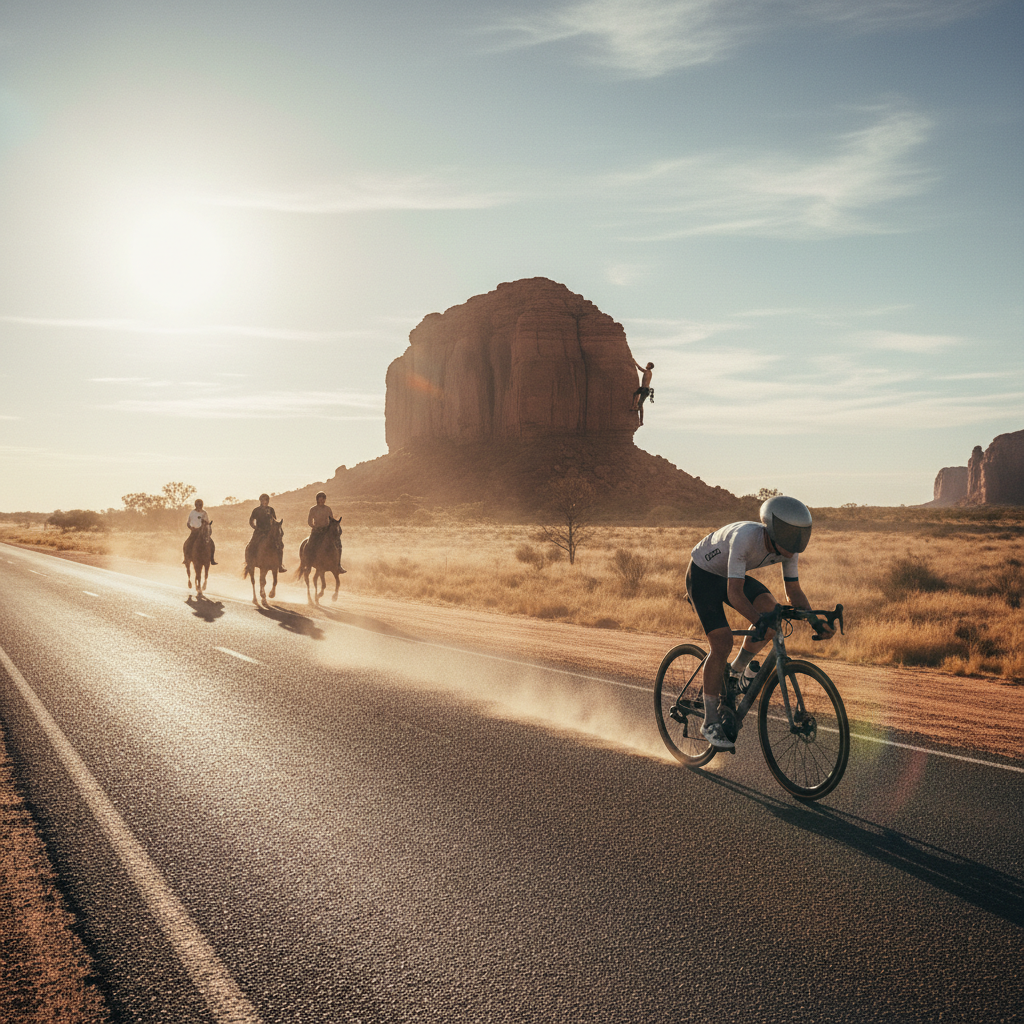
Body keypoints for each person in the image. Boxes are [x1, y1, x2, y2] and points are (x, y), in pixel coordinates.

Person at [685, 495, 833, 750]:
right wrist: (758, 622)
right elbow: (734, 594)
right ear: (774, 531)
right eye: (792, 535)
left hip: (730, 575)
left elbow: (793, 592)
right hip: (703, 576)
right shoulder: (745, 538)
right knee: (722, 642)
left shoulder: (788, 549)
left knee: (771, 611)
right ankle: (709, 722)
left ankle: (735, 671)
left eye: (800, 536)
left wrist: (813, 620)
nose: (796, 543)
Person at [247, 493, 286, 572]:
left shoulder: (271, 510)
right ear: (260, 501)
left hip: (269, 532)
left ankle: (280, 565)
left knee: (279, 546)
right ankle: (250, 562)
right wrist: (255, 528)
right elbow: (251, 521)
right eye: (263, 500)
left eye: (266, 500)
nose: (265, 502)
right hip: (259, 532)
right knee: (252, 544)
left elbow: (274, 521)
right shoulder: (256, 510)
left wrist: (275, 528)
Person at [306, 491, 338, 562]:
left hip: (326, 531)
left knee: (337, 544)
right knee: (310, 544)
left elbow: (331, 520)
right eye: (320, 499)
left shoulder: (328, 509)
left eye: (323, 499)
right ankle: (308, 561)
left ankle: (337, 563)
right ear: (317, 499)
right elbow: (309, 521)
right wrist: (315, 527)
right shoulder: (313, 509)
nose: (322, 501)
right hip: (316, 531)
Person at [182, 498, 217, 565]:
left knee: (212, 543)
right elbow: (188, 523)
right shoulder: (192, 513)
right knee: (187, 543)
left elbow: (207, 522)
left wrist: (206, 526)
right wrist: (191, 528)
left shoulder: (204, 513)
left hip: (202, 531)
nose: (199, 506)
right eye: (198, 505)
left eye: (200, 505)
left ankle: (212, 559)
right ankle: (186, 558)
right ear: (195, 505)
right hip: (194, 531)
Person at [630, 359, 654, 425]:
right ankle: (634, 406)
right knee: (635, 394)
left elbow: (639, 368)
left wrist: (635, 363)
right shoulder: (647, 372)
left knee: (640, 404)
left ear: (650, 366)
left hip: (645, 390)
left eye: (648, 365)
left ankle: (641, 421)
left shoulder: (648, 372)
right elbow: (640, 369)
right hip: (643, 388)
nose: (646, 365)